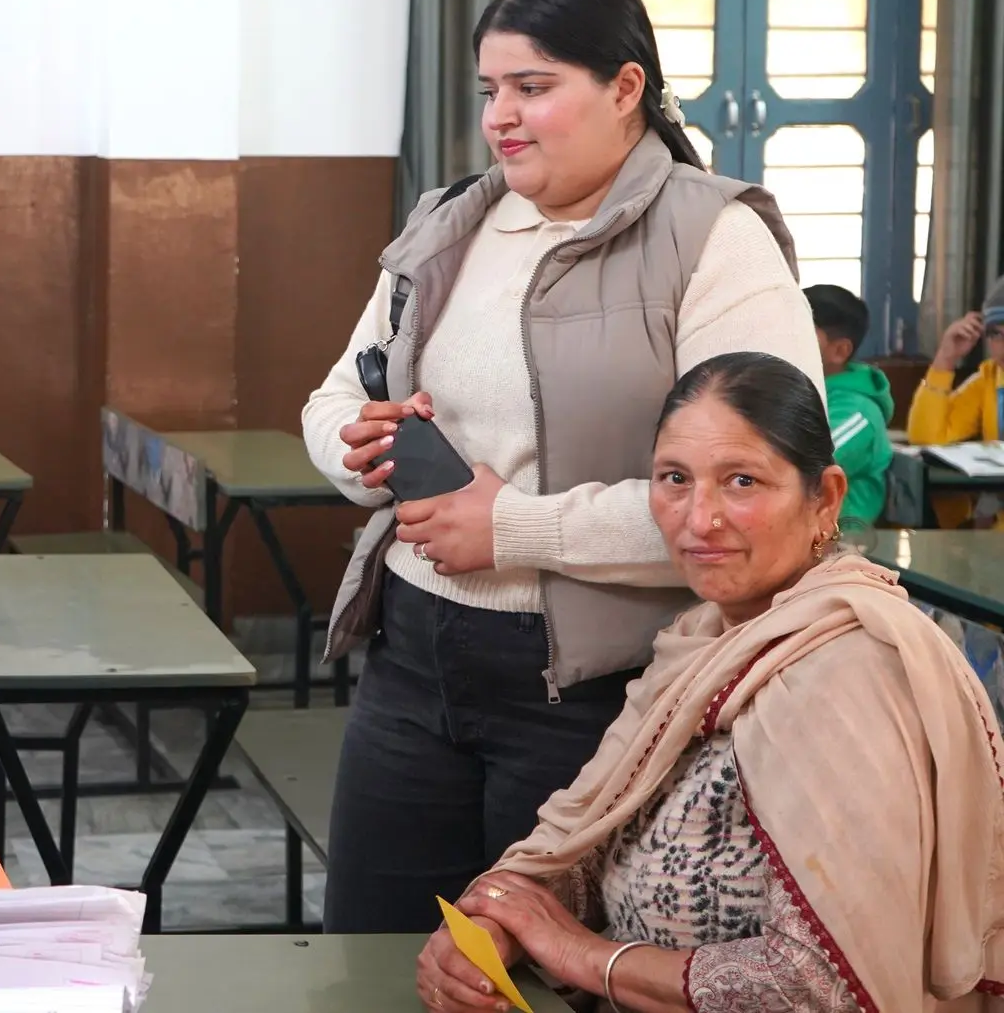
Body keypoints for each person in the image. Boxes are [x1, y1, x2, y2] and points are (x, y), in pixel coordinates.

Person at [301, 0, 826, 934]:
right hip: (411, 657)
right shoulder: (451, 221)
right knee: (373, 953)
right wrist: (356, 446)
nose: (500, 117)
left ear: (626, 87)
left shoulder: (713, 239)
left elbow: (756, 498)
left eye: (533, 87)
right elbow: (336, 394)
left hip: (602, 688)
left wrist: (513, 528)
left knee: (547, 970)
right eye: (490, 89)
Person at [415, 352, 1004, 1013]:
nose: (699, 519)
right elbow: (594, 842)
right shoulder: (699, 645)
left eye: (742, 481)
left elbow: (825, 984)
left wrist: (586, 956)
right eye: (675, 478)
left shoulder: (853, 676)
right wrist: (498, 919)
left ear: (825, 498)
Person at [908, 275, 1004, 529]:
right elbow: (927, 437)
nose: (1002, 347)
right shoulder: (988, 380)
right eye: (996, 334)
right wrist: (946, 358)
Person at [805, 284, 893, 530]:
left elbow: (804, 468)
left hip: (838, 543)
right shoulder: (799, 390)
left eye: (802, 333)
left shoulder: (858, 412)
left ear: (840, 351)